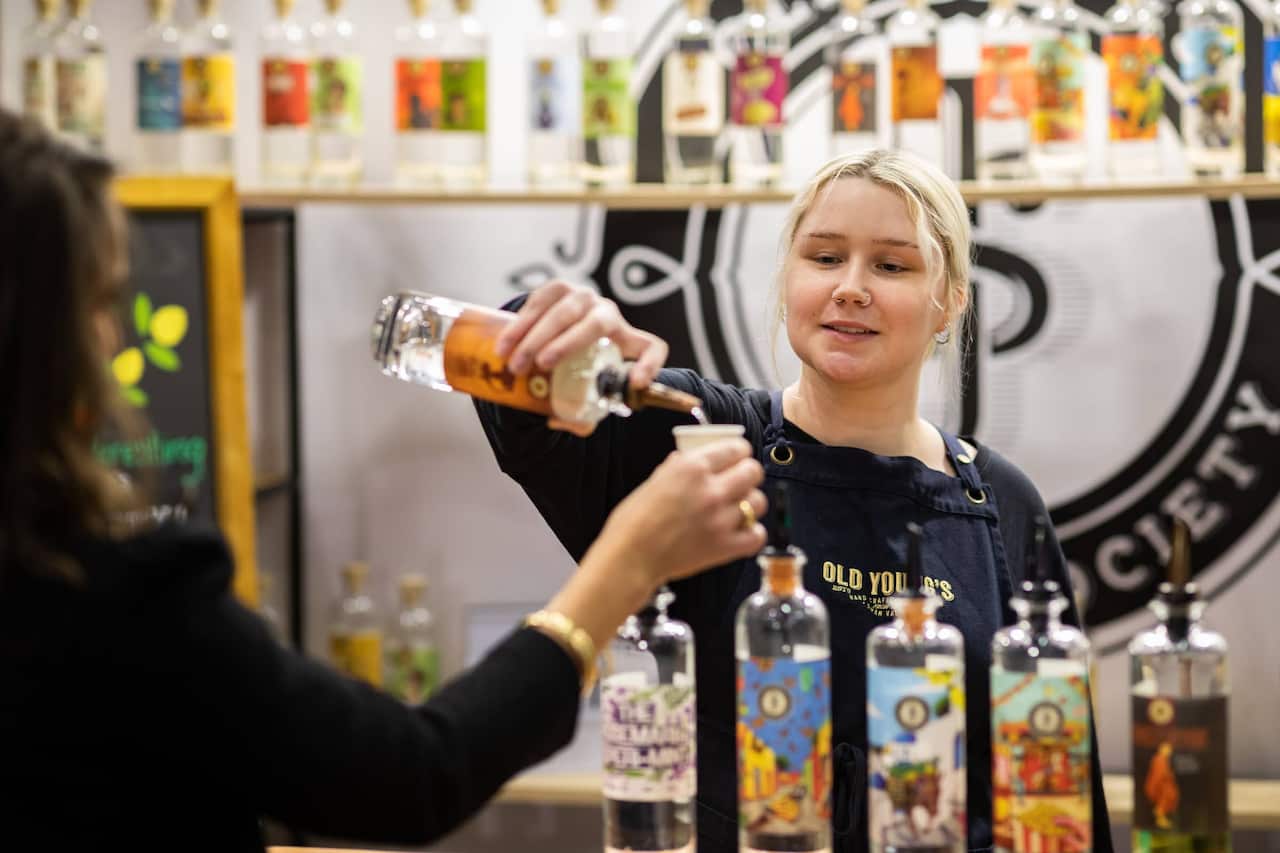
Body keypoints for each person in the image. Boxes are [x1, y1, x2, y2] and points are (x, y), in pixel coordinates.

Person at [0, 108, 767, 849]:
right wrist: (628, 561)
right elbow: (413, 773)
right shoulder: (115, 590)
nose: (112, 334)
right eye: (100, 301)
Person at [475, 149, 1113, 853]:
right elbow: (516, 396)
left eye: (891, 265)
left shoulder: (1003, 502)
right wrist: (552, 324)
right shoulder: (706, 441)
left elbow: (1063, 792)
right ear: (787, 282)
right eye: (825, 257)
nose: (851, 288)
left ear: (951, 302)